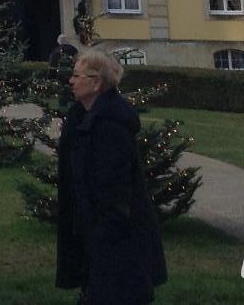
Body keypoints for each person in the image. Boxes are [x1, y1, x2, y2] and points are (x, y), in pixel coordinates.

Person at [56, 48, 167, 304]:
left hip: (115, 236)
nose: (71, 81)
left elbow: (115, 189)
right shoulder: (80, 118)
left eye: (77, 75)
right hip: (91, 231)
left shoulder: (110, 126)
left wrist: (102, 235)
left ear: (96, 82)